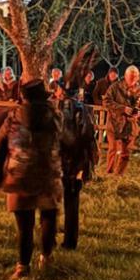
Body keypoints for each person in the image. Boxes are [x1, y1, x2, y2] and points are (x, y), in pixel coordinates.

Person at [0, 78, 62, 279]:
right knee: (48, 216)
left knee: (25, 224)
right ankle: (46, 257)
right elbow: (64, 139)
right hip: (48, 173)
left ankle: (23, 266)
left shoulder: (14, 115)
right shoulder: (55, 115)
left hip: (19, 175)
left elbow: (0, 144)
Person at [55, 46, 99, 250]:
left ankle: (66, 240)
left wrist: (79, 166)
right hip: (72, 163)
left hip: (69, 163)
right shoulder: (81, 110)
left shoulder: (68, 110)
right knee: (69, 202)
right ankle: (66, 238)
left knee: (68, 202)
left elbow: (79, 139)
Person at [104, 65, 140, 177]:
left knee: (126, 152)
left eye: (135, 77)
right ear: (125, 76)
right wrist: (122, 108)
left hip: (129, 125)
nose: (133, 80)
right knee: (113, 149)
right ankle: (109, 173)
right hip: (115, 124)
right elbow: (106, 102)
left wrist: (139, 112)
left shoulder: (138, 89)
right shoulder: (115, 87)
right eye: (131, 77)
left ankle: (119, 174)